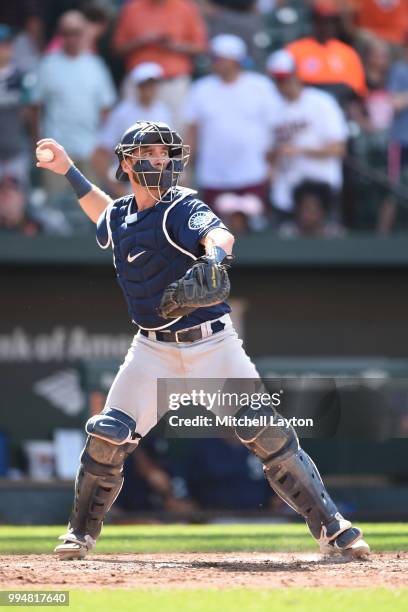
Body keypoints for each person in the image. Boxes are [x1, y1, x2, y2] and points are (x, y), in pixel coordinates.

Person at [35, 120, 369, 561]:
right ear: (128, 164)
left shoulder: (181, 206)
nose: (162, 161)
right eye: (151, 154)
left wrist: (213, 255)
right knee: (107, 436)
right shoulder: (121, 215)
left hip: (212, 346)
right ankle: (79, 534)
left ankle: (334, 529)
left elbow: (218, 233)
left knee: (266, 431)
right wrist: (68, 170)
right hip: (151, 350)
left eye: (166, 153)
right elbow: (103, 213)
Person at [183, 34, 277, 219]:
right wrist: (184, 167)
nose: (214, 63)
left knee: (252, 230)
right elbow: (192, 131)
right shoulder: (200, 89)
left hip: (253, 173)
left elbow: (273, 128)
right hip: (214, 176)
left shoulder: (261, 86)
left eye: (219, 58)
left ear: (234, 60)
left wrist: (272, 165)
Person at [31, 10, 116, 194]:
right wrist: (38, 145)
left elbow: (106, 111)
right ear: (60, 35)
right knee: (56, 213)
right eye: (66, 33)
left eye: (76, 32)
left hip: (89, 151)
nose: (72, 38)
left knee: (91, 209)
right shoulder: (48, 64)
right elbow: (35, 109)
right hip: (56, 152)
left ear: (84, 32)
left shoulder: (96, 66)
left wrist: (100, 148)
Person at [266, 49, 347, 219]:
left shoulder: (321, 102)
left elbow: (338, 149)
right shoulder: (271, 108)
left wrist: (299, 150)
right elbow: (268, 154)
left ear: (296, 75)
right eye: (277, 80)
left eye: (285, 78)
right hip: (286, 193)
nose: (282, 84)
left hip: (322, 190)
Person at [112, 0, 208, 130]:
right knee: (132, 135)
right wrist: (141, 40)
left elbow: (200, 47)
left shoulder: (185, 8)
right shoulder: (132, 8)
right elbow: (117, 48)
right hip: (140, 83)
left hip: (172, 83)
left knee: (175, 135)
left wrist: (174, 45)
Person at [92, 62, 171, 196]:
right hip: (128, 185)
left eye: (153, 84)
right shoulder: (122, 113)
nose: (149, 89)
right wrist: (118, 190)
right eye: (145, 85)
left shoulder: (163, 112)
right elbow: (100, 153)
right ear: (138, 87)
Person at [287, 0, 367, 106]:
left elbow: (357, 92)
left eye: (332, 22)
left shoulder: (348, 53)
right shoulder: (294, 50)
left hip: (340, 107)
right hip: (306, 107)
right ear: (314, 22)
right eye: (322, 21)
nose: (327, 26)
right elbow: (288, 88)